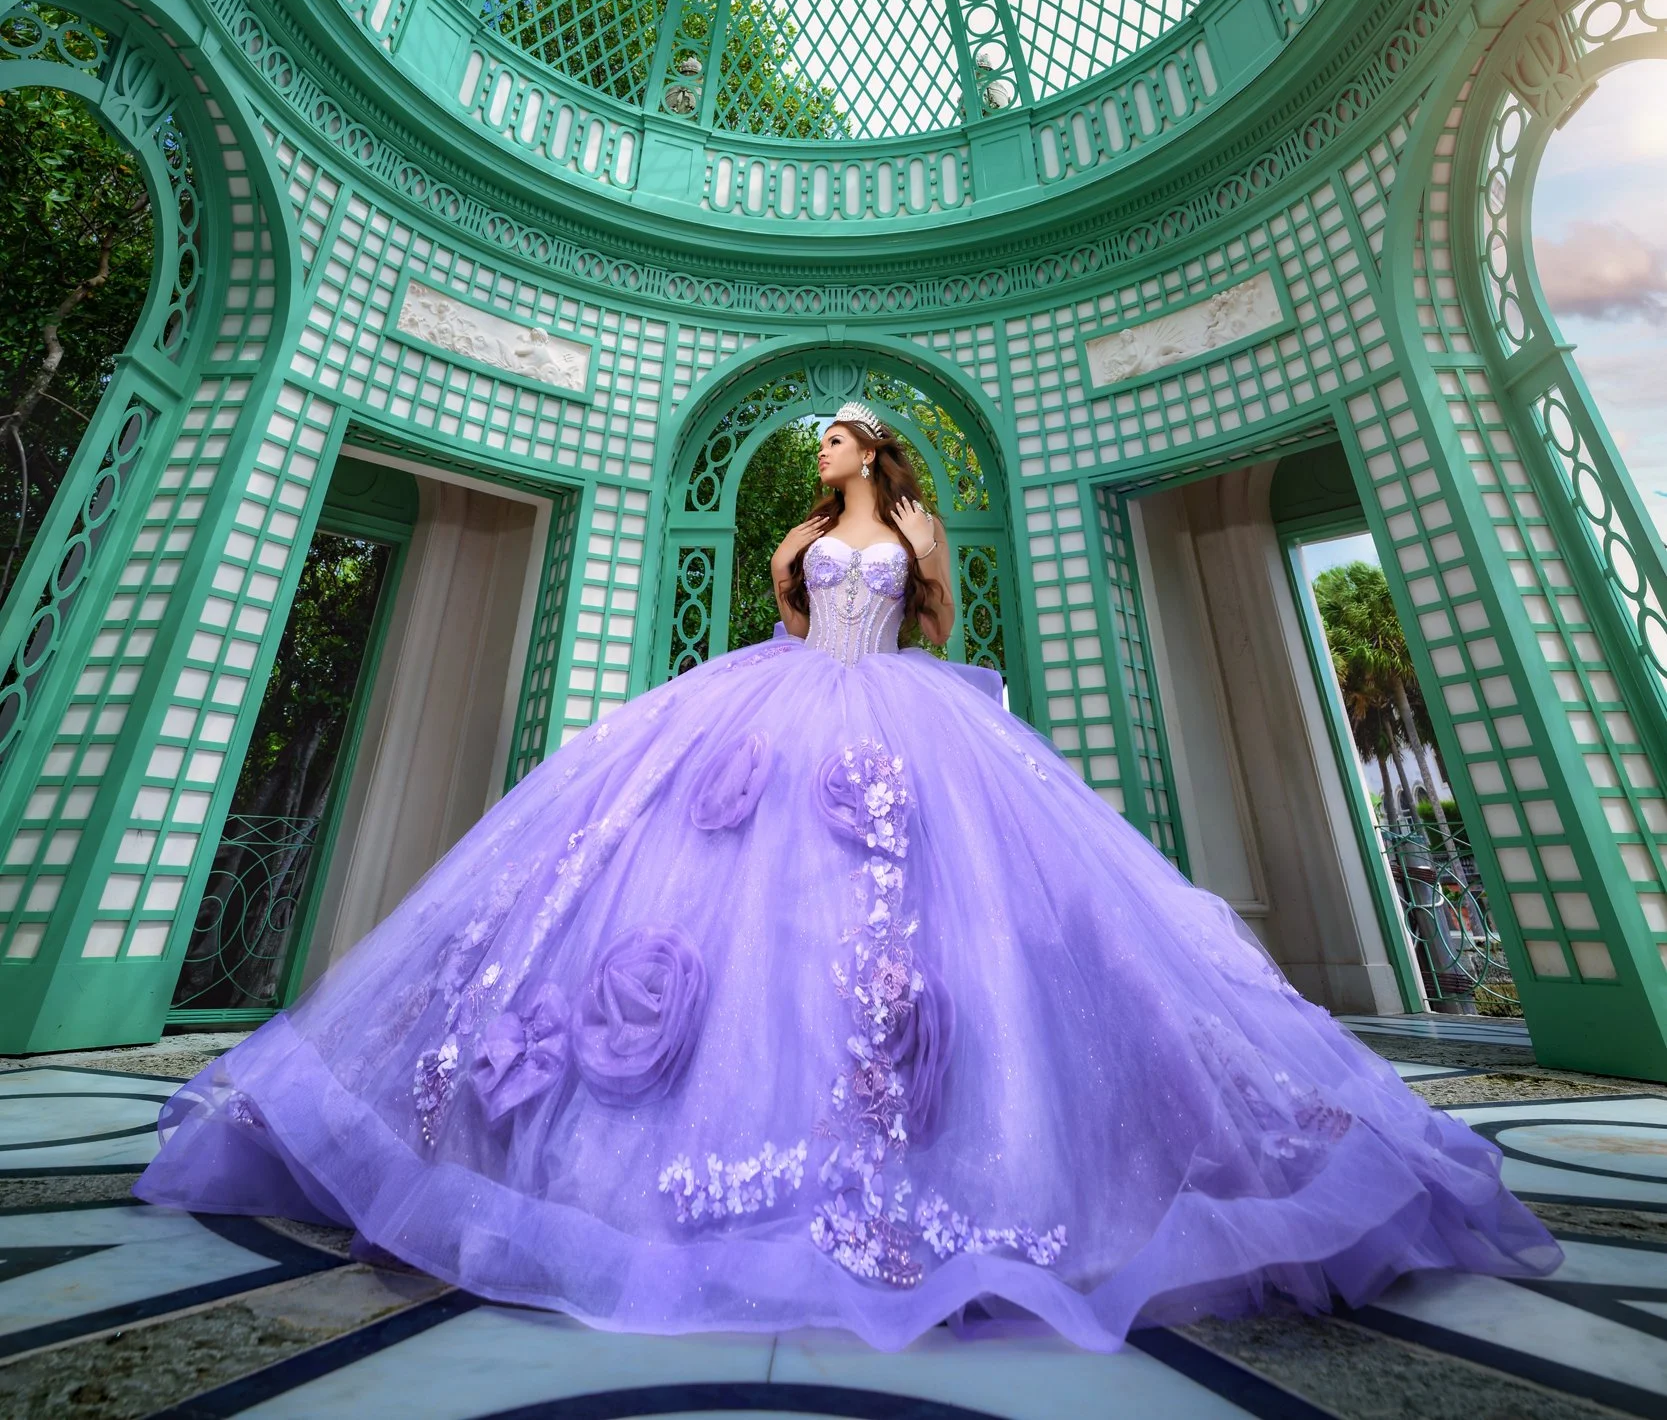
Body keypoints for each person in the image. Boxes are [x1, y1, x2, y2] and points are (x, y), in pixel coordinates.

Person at [137, 402, 1558, 1348]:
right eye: (818, 443)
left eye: (833, 442)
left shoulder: (913, 537)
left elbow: (932, 629)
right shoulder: (797, 544)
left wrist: (889, 684)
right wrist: (819, 640)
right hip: (776, 709)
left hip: (904, 719)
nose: (818, 456)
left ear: (875, 455)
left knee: (923, 950)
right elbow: (792, 624)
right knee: (719, 925)